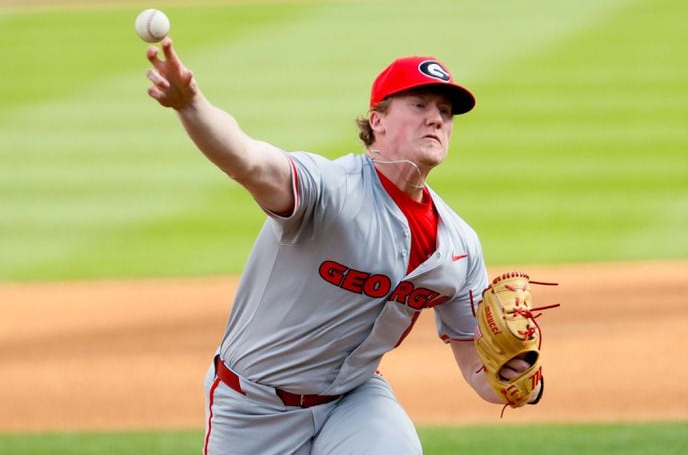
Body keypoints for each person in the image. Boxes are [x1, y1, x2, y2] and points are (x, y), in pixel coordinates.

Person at [144, 39, 541, 455]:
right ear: (378, 120)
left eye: (445, 112)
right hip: (252, 407)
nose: (437, 120)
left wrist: (519, 379)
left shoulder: (460, 245)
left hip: (353, 401)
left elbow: (478, 367)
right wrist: (190, 104)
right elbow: (248, 160)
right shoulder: (331, 190)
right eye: (420, 105)